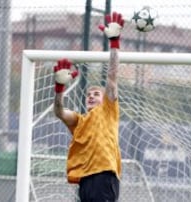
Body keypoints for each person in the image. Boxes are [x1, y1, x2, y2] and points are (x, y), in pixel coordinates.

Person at [53, 11, 124, 202]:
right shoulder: (80, 121)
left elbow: (112, 78)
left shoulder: (108, 110)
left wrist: (114, 43)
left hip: (104, 174)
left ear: (104, 99)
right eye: (89, 95)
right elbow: (59, 111)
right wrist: (59, 88)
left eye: (96, 94)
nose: (91, 96)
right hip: (85, 180)